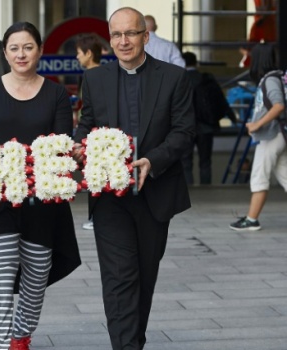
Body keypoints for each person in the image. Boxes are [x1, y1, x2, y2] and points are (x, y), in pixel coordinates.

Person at [72, 7, 194, 349]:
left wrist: (152, 161)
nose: (123, 41)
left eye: (130, 33)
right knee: (119, 278)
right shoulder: (95, 80)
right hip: (110, 197)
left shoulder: (174, 77)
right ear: (109, 40)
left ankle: (132, 342)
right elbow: (87, 125)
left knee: (143, 277)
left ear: (145, 36)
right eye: (116, 35)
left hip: (155, 194)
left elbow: (184, 132)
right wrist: (80, 146)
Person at [0, 22, 81, 350]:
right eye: (14, 48)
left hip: (41, 200)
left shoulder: (56, 93)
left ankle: (20, 337)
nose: (21, 54)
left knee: (36, 275)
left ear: (40, 50)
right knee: (0, 277)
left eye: (28, 47)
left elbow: (60, 142)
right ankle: (1, 345)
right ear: (5, 53)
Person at [229, 43, 287, 231]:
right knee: (284, 174)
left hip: (272, 135)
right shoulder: (278, 77)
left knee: (259, 177)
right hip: (279, 134)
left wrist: (256, 124)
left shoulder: (269, 80)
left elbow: (278, 106)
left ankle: (252, 219)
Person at [181, 51, 237, 185]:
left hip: (185, 127)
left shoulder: (179, 79)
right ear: (196, 63)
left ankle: (189, 191)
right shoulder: (206, 79)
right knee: (205, 162)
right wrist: (231, 116)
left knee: (185, 162)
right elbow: (220, 99)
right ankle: (206, 189)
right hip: (206, 126)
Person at [74, 33, 102, 230]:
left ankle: (95, 217)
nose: (77, 57)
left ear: (89, 53)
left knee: (94, 176)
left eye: (79, 53)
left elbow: (90, 109)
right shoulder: (103, 73)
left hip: (93, 133)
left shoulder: (92, 76)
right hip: (95, 131)